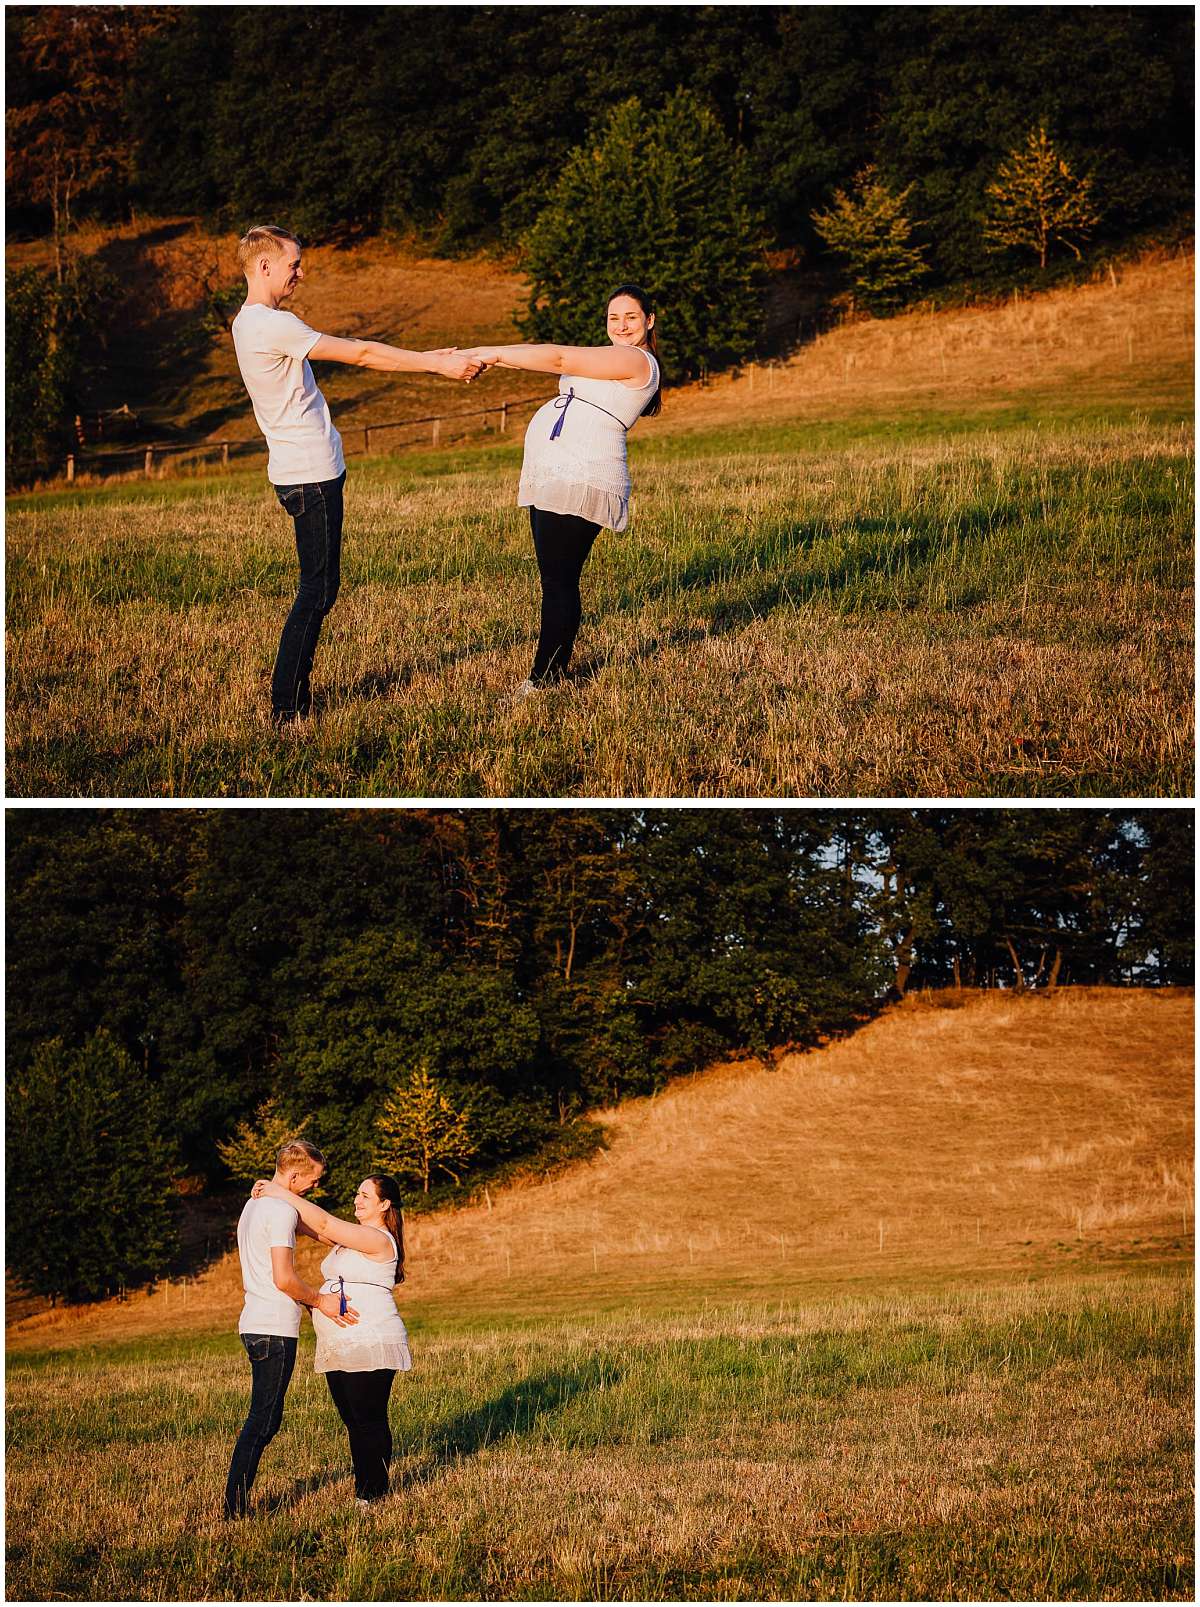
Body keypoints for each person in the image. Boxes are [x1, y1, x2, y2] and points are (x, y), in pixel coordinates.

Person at [231, 224, 484, 725]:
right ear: (264, 267)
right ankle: (287, 708)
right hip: (310, 475)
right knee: (318, 590)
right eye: (293, 264)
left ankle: (290, 701)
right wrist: (435, 366)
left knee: (318, 586)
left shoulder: (247, 322)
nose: (301, 273)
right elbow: (363, 353)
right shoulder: (271, 326)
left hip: (298, 472)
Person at [462, 284, 662, 694]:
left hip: (583, 474)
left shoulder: (636, 359)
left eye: (631, 317)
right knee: (555, 578)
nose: (621, 326)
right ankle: (550, 673)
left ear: (649, 321)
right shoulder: (608, 356)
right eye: (614, 318)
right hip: (556, 471)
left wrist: (493, 352)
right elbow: (547, 362)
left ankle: (546, 678)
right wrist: (481, 360)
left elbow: (558, 357)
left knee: (558, 581)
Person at [252, 1171, 411, 1507]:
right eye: (358, 1192)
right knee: (352, 1419)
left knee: (368, 1418)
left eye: (366, 1195)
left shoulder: (380, 1240)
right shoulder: (349, 1241)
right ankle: (365, 1488)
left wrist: (281, 1190)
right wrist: (267, 1203)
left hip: (370, 1338)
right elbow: (305, 1225)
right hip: (339, 1342)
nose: (357, 1199)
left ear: (384, 1204)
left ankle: (374, 1493)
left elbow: (323, 1223)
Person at [224, 1138, 359, 1519]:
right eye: (313, 1180)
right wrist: (320, 1300)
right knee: (263, 1419)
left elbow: (326, 1232)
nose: (316, 1186)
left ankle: (235, 1504)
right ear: (295, 1174)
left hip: (254, 1323)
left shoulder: (255, 1205)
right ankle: (234, 1509)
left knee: (264, 1416)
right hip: (273, 1327)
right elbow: (284, 1279)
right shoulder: (279, 1213)